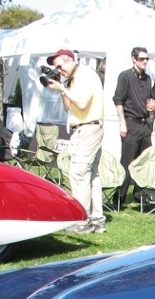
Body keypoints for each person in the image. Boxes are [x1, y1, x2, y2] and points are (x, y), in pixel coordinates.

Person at [45, 48, 107, 234]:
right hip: (87, 127)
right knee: (92, 176)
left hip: (87, 128)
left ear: (69, 60)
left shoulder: (85, 75)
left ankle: (82, 221)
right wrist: (62, 88)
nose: (59, 70)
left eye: (60, 66)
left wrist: (63, 88)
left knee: (79, 174)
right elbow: (68, 107)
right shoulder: (73, 78)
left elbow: (81, 103)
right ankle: (97, 220)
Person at [113, 46, 155, 207]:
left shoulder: (147, 78)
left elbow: (148, 100)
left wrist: (151, 108)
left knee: (144, 161)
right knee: (127, 162)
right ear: (133, 59)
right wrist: (122, 123)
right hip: (130, 122)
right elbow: (118, 100)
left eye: (147, 59)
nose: (145, 61)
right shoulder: (125, 76)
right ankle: (119, 197)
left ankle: (139, 194)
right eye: (141, 59)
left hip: (145, 124)